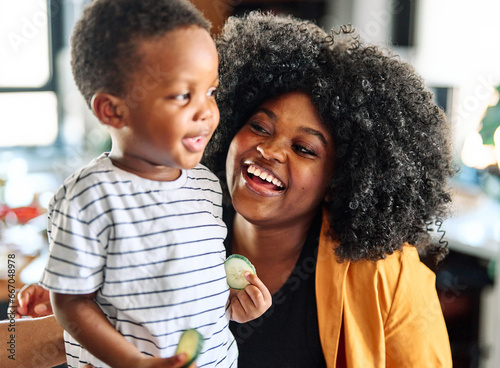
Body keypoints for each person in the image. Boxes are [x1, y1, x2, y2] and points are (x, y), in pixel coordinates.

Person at [3, 11, 454, 368]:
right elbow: (23, 347)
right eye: (258, 126)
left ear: (340, 182)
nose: (270, 150)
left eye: (304, 148)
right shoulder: (162, 222)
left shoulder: (386, 279)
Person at [35, 1, 271, 368]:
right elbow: (70, 303)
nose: (206, 112)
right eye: (182, 95)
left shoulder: (207, 187)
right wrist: (132, 361)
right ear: (112, 110)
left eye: (210, 92)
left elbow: (185, 289)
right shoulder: (88, 198)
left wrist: (229, 308)